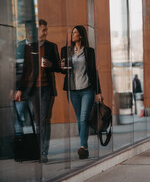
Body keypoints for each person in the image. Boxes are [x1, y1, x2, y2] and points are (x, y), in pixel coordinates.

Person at [14, 19, 61, 163]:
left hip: (46, 89)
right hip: (32, 90)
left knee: (43, 120)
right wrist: (20, 90)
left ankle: (43, 152)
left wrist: (51, 64)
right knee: (36, 121)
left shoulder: (51, 46)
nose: (46, 32)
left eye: (46, 30)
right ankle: (37, 150)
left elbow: (59, 67)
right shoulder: (29, 48)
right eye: (43, 30)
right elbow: (25, 71)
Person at [61, 25, 103, 160]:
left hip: (87, 89)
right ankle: (83, 146)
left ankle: (83, 147)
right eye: (72, 32)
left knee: (84, 118)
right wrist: (61, 67)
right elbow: (63, 70)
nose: (72, 35)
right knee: (79, 119)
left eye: (75, 33)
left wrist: (98, 92)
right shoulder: (66, 51)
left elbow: (93, 71)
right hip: (73, 90)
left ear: (81, 36)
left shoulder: (89, 52)